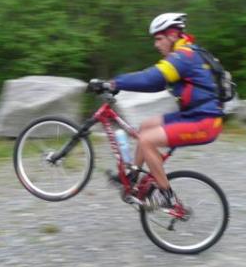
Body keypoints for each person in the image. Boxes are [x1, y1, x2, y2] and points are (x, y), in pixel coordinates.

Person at [90, 13, 224, 208]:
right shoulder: (185, 54)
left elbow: (150, 78)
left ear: (172, 36)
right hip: (193, 115)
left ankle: (166, 197)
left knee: (146, 140)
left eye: (159, 39)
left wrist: (112, 83)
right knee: (146, 126)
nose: (156, 44)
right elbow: (155, 85)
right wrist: (120, 85)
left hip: (205, 122)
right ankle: (134, 176)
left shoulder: (183, 57)